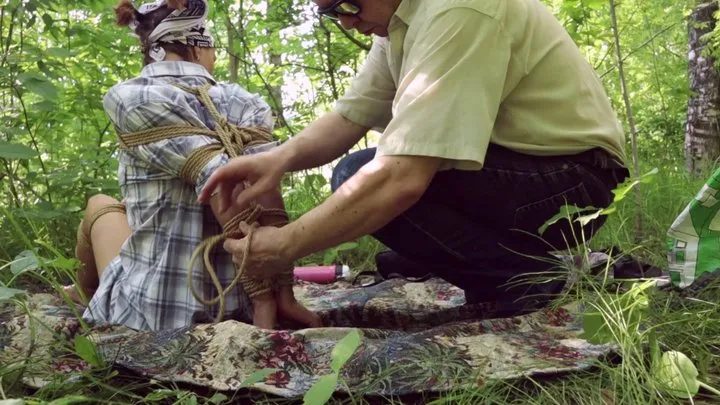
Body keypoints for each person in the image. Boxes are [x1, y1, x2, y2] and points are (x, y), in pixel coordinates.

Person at [198, 0, 630, 314]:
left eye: (348, 3)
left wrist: (287, 245)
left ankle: (522, 277)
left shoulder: (459, 12)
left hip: (578, 184)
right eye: (331, 12)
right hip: (527, 172)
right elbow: (351, 115)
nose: (347, 20)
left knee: (363, 176)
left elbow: (400, 178)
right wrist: (277, 159)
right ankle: (496, 260)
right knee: (370, 187)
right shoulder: (401, 21)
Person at [68, 0, 320, 330]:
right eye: (213, 47)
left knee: (101, 205)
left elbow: (217, 179)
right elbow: (263, 190)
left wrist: (263, 299)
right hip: (238, 303)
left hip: (157, 314)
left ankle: (83, 293)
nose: (214, 56)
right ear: (197, 48)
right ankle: (82, 291)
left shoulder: (132, 98)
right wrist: (281, 295)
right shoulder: (247, 103)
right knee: (125, 208)